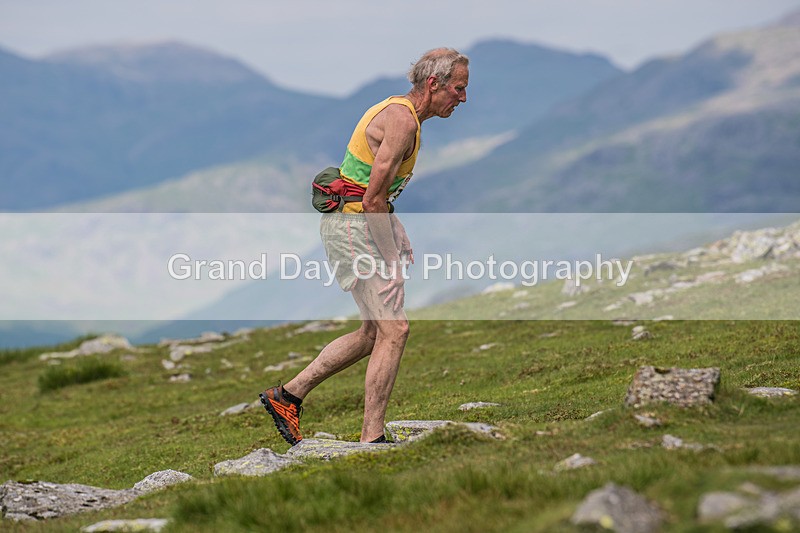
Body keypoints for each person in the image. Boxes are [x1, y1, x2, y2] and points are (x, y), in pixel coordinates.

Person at [260, 48, 469, 445]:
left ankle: (287, 395)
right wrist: (393, 265)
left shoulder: (403, 115)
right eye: (458, 89)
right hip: (353, 228)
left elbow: (372, 191)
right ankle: (371, 438)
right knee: (396, 329)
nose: (462, 98)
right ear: (433, 84)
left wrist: (396, 225)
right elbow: (371, 199)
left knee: (373, 332)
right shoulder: (402, 121)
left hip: (355, 222)